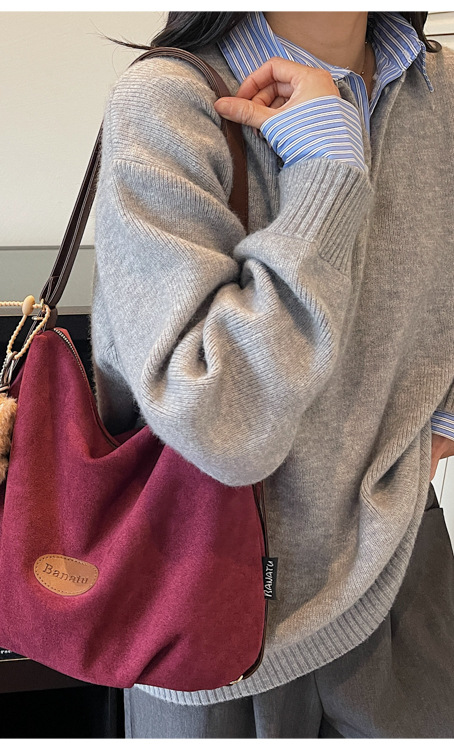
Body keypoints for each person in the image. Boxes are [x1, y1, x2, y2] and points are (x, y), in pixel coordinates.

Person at [91, 11, 454, 739]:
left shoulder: (439, 91)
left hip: (405, 577)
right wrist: (325, 170)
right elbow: (218, 420)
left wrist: (440, 421)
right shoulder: (167, 102)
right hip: (203, 604)